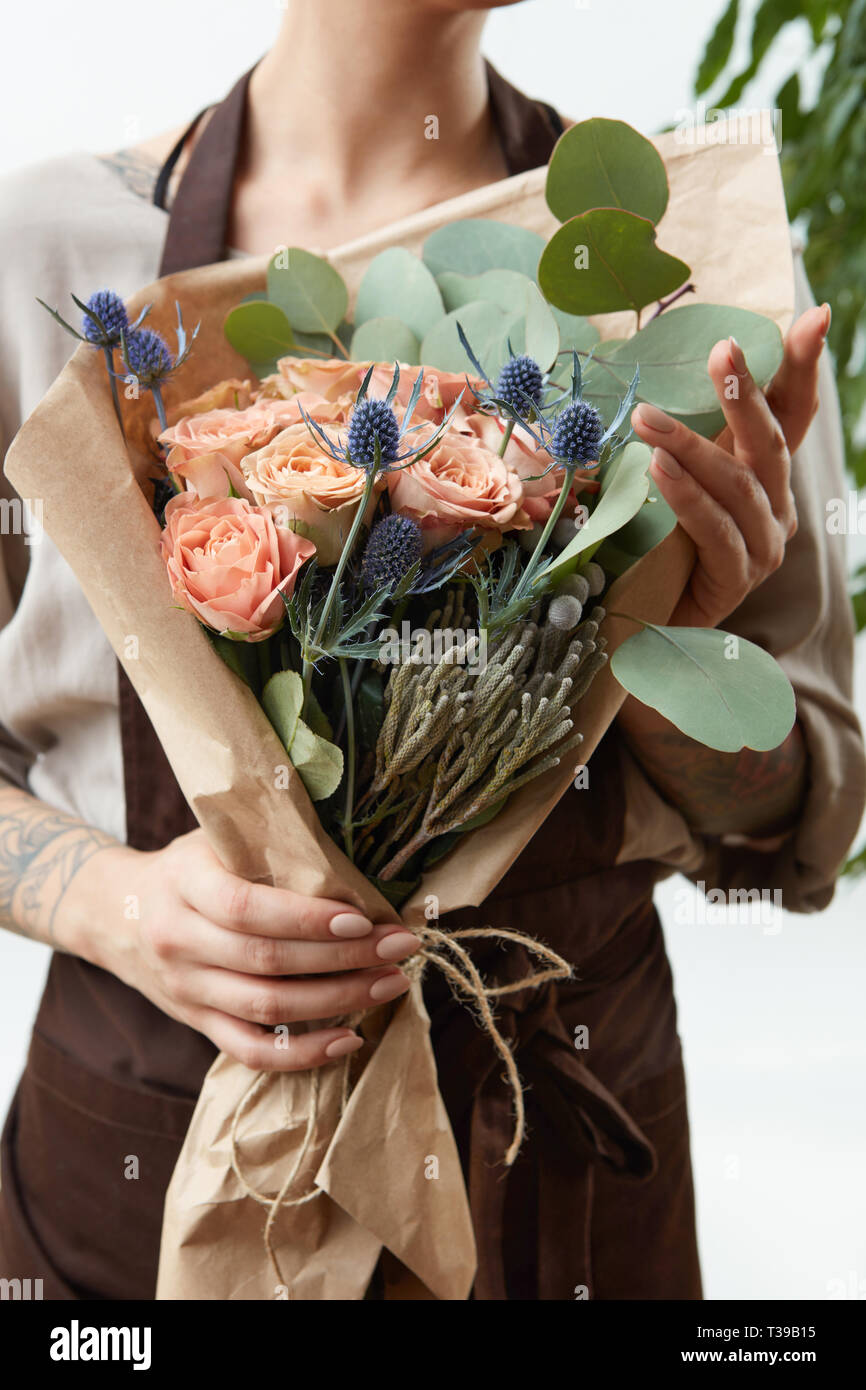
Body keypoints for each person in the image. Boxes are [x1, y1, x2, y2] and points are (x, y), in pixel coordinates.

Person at [0, 0, 862, 1301]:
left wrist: (663, 653)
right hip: (146, 1179)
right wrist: (112, 904)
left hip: (564, 1177)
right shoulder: (46, 252)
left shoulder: (693, 264)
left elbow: (796, 820)